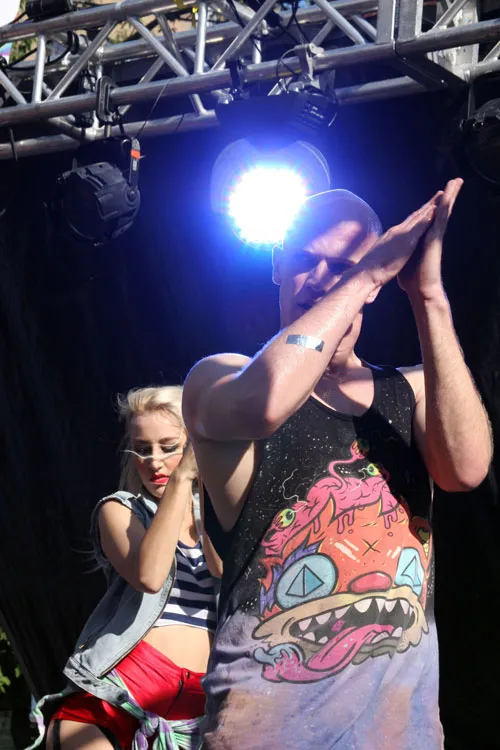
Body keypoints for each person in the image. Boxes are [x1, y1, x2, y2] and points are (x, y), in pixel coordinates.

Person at [182, 180, 492, 749]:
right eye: (306, 260)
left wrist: (428, 297)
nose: (322, 279)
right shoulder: (220, 378)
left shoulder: (411, 389)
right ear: (277, 265)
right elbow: (267, 401)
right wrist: (365, 274)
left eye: (343, 266)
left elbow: (467, 469)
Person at [29, 385, 221, 750]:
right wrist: (181, 478)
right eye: (142, 448)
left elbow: (224, 569)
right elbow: (149, 575)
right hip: (126, 685)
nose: (154, 461)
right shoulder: (120, 510)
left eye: (168, 446)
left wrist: (210, 489)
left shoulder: (212, 512)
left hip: (197, 707)